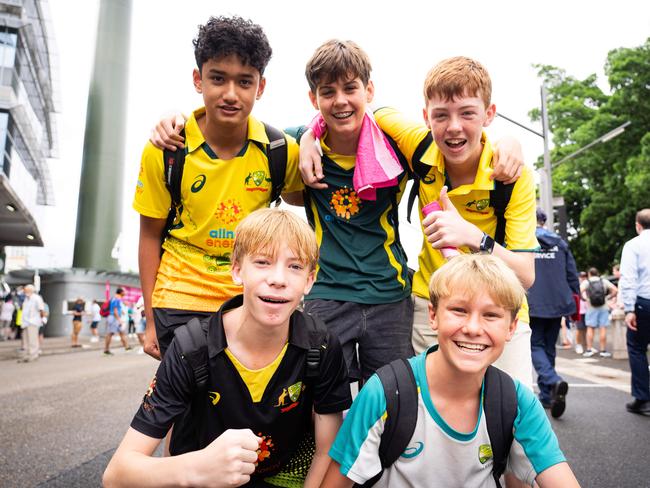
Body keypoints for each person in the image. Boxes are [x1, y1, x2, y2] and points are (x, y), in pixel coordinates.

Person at [303, 56, 535, 388]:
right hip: (433, 306)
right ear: (426, 118)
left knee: (513, 422)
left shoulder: (511, 176)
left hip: (499, 306)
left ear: (489, 114)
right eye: (441, 116)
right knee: (428, 419)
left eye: (468, 113)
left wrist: (473, 236)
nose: (453, 127)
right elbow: (373, 112)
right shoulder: (420, 146)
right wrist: (309, 136)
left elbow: (526, 274)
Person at [103, 208, 352, 488]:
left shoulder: (321, 345)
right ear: (236, 269)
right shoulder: (191, 347)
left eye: (295, 266)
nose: (278, 279)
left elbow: (327, 451)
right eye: (262, 262)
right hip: (203, 476)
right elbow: (116, 474)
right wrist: (197, 468)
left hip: (283, 475)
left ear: (310, 279)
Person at [321, 254, 579, 487]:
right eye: (459, 310)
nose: (473, 328)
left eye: (491, 315)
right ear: (433, 315)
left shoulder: (517, 402)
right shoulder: (386, 392)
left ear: (511, 328)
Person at [133, 16, 303, 361]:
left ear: (261, 86)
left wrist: (311, 135)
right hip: (179, 297)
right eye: (217, 78)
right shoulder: (166, 150)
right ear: (198, 79)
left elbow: (306, 200)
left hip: (248, 297)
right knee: (188, 408)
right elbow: (149, 235)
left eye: (244, 82)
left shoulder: (280, 151)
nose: (230, 94)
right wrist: (150, 320)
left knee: (242, 406)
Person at [527, 208, 579, 418]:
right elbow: (571, 273)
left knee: (535, 345)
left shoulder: (526, 241)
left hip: (533, 300)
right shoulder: (560, 243)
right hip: (557, 302)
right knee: (549, 346)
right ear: (544, 221)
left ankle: (552, 381)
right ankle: (548, 394)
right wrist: (574, 299)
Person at [619, 208, 650, 416]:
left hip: (644, 302)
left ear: (638, 225)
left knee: (637, 347)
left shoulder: (633, 245)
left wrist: (629, 309)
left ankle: (643, 398)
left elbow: (628, 279)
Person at [580, 267, 617, 358]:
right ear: (598, 273)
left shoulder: (586, 282)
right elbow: (615, 290)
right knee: (602, 328)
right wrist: (607, 297)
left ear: (589, 274)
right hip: (603, 306)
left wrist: (586, 299)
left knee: (590, 328)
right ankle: (603, 350)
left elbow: (579, 291)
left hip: (591, 307)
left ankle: (589, 350)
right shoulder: (603, 281)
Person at [18, 284, 45, 363]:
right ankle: (26, 355)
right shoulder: (26, 299)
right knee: (25, 339)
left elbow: (41, 310)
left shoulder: (37, 298)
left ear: (31, 290)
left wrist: (41, 319)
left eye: (26, 290)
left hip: (33, 322)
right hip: (25, 322)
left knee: (32, 339)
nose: (25, 291)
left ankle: (33, 355)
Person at [104, 288, 131, 356]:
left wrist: (121, 312)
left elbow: (117, 308)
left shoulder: (115, 298)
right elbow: (115, 310)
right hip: (114, 318)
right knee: (110, 334)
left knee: (121, 332)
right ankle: (106, 350)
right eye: (124, 291)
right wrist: (119, 319)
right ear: (121, 292)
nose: (125, 293)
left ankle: (127, 347)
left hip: (114, 318)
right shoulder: (116, 299)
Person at [574, 271, 588, 354]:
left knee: (586, 329)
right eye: (581, 276)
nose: (583, 278)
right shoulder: (577, 286)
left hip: (587, 310)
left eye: (584, 276)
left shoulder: (588, 285)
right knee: (579, 329)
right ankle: (578, 345)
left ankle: (585, 345)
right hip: (579, 311)